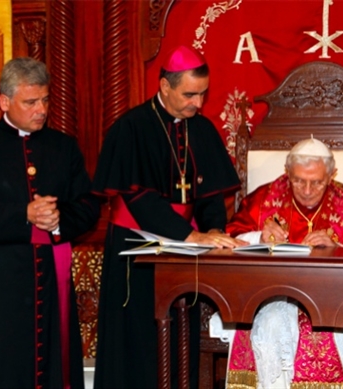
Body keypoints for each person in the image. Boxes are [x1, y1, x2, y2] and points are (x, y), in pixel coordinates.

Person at [92, 45, 244, 389]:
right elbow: (139, 198)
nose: (199, 103)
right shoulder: (131, 128)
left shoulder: (201, 129)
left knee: (182, 340)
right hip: (136, 249)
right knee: (138, 341)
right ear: (164, 87)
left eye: (203, 94)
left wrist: (215, 231)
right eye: (190, 94)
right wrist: (190, 236)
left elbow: (210, 194)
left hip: (186, 251)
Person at [0, 57, 100, 389]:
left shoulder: (64, 146)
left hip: (50, 279)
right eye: (31, 102)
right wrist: (24, 214)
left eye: (45, 100)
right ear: (4, 101)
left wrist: (60, 220)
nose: (41, 110)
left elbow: (89, 204)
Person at [219, 137, 343, 388]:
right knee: (271, 323)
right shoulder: (262, 200)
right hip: (276, 295)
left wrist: (338, 249)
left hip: (339, 299)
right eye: (298, 180)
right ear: (286, 172)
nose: (307, 190)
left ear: (332, 174)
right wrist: (259, 237)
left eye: (317, 182)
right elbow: (230, 240)